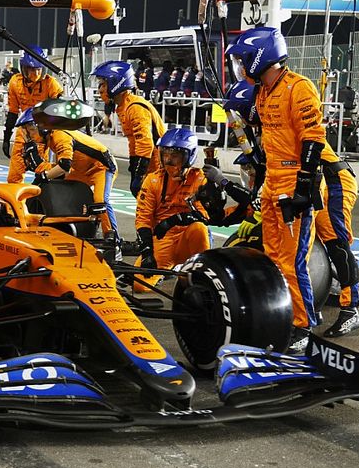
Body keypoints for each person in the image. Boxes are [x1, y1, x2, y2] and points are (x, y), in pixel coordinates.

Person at [224, 78, 359, 338]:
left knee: (335, 241)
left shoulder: (280, 115)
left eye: (239, 115)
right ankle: (323, 293)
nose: (237, 124)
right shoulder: (266, 132)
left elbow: (311, 147)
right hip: (317, 179)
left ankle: (351, 308)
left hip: (333, 180)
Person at [225, 27, 325, 354]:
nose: (240, 67)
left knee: (294, 262)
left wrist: (304, 185)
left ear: (260, 56)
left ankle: (303, 325)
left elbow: (314, 137)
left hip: (294, 182)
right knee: (273, 258)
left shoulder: (300, 88)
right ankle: (284, 318)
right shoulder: (264, 91)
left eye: (243, 60)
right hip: (272, 185)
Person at [16, 101, 118, 237]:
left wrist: (45, 175)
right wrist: (41, 171)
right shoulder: (50, 138)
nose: (29, 134)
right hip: (82, 169)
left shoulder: (60, 135)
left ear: (43, 127)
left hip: (102, 167)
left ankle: (112, 238)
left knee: (100, 200)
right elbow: (57, 169)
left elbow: (64, 166)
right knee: (62, 188)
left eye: (31, 129)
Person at [135, 128, 210, 270]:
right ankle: (171, 267)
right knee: (140, 285)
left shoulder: (200, 179)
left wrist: (174, 220)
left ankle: (202, 268)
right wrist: (147, 253)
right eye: (165, 155)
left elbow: (205, 216)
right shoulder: (152, 180)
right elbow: (143, 219)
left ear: (189, 156)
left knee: (199, 229)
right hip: (163, 239)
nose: (169, 161)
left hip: (187, 237)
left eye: (175, 156)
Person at [92, 60, 166, 195]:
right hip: (151, 166)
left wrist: (139, 174)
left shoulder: (135, 107)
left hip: (157, 168)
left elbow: (145, 143)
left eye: (102, 84)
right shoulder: (123, 106)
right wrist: (134, 168)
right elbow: (134, 141)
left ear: (116, 83)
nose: (100, 89)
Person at [2, 47, 63, 183]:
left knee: (43, 174)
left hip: (44, 133)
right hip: (23, 131)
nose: (35, 73)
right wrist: (6, 138)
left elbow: (61, 109)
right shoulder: (15, 82)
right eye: (31, 69)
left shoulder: (51, 83)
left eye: (38, 69)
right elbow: (12, 112)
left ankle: (42, 201)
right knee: (14, 176)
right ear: (24, 68)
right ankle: (16, 203)